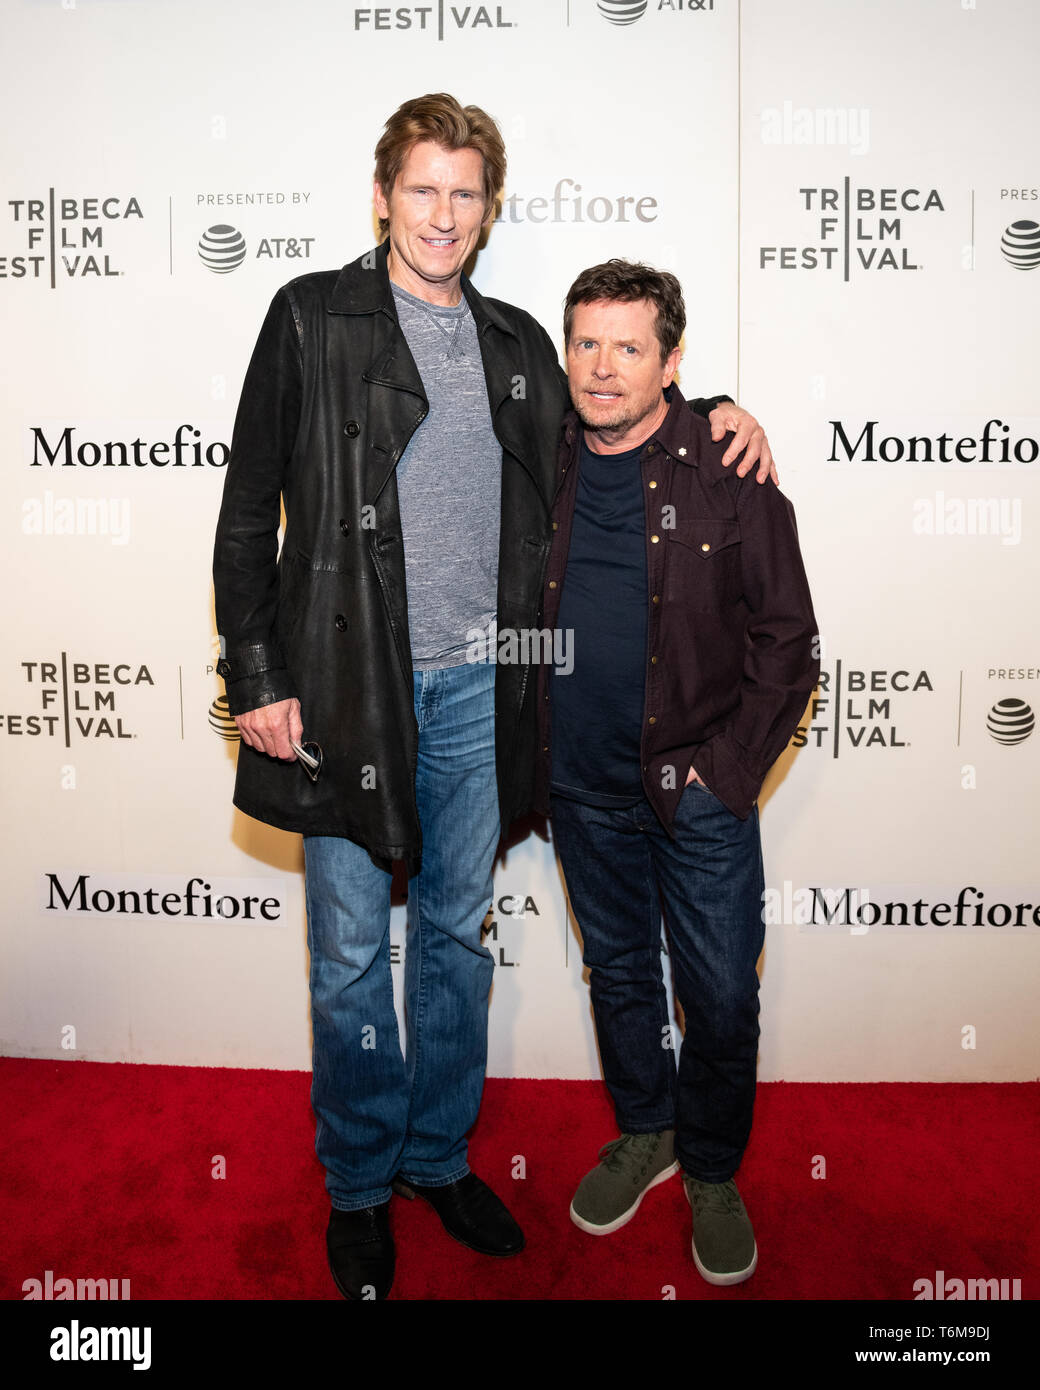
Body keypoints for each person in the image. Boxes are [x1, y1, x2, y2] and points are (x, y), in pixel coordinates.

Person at [212, 94, 775, 1301]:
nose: (441, 213)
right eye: (421, 188)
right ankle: (360, 1183)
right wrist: (256, 674)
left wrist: (720, 407)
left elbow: (617, 401)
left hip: (480, 692)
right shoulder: (309, 318)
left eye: (464, 193)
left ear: (487, 209)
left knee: (457, 941)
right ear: (381, 195)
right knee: (353, 955)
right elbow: (245, 505)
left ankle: (434, 1157)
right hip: (344, 695)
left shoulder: (519, 342)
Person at [535, 260, 819, 1286]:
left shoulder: (726, 472)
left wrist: (726, 771)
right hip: (578, 785)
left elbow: (787, 641)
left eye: (627, 347)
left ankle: (708, 1165)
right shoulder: (541, 454)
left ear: (670, 360)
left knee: (718, 994)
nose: (601, 369)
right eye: (584, 342)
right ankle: (645, 1127)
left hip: (692, 789)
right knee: (616, 973)